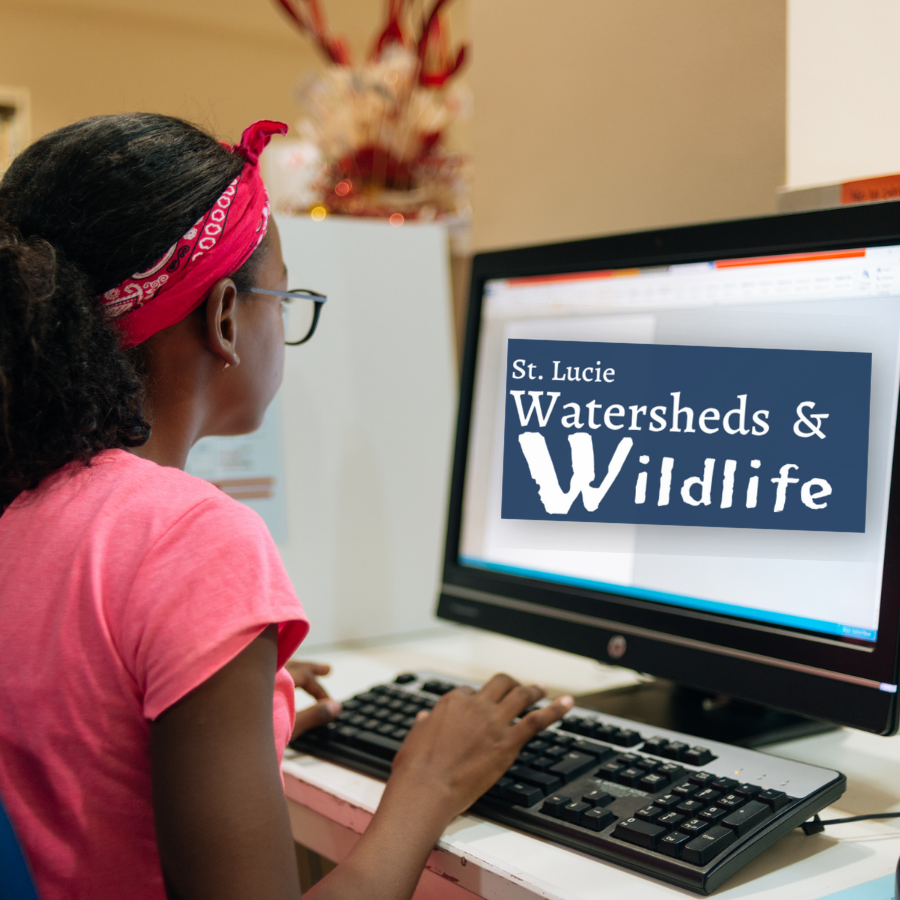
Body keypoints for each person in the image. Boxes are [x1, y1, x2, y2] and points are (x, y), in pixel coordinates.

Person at [0, 113, 574, 900]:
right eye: (285, 297)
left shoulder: (24, 502)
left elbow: (73, 736)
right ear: (226, 316)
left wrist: (232, 716)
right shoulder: (189, 537)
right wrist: (426, 786)